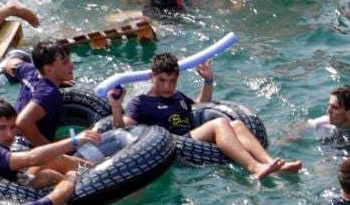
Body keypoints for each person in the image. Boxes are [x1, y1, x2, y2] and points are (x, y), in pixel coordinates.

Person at [110, 51, 300, 180]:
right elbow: (123, 129)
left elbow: (201, 106)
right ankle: (254, 168)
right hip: (172, 144)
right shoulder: (140, 102)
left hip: (193, 139)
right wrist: (116, 107)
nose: (167, 86)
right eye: (162, 80)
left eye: (172, 81)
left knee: (237, 125)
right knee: (220, 123)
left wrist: (208, 79)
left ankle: (270, 163)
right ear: (151, 78)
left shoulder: (177, 97)